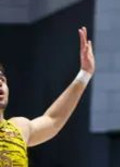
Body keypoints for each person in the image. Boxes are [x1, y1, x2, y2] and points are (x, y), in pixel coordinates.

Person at [0, 27, 95, 166]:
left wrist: (85, 74)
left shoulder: (19, 128)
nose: (0, 83)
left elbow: (53, 119)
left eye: (2, 79)